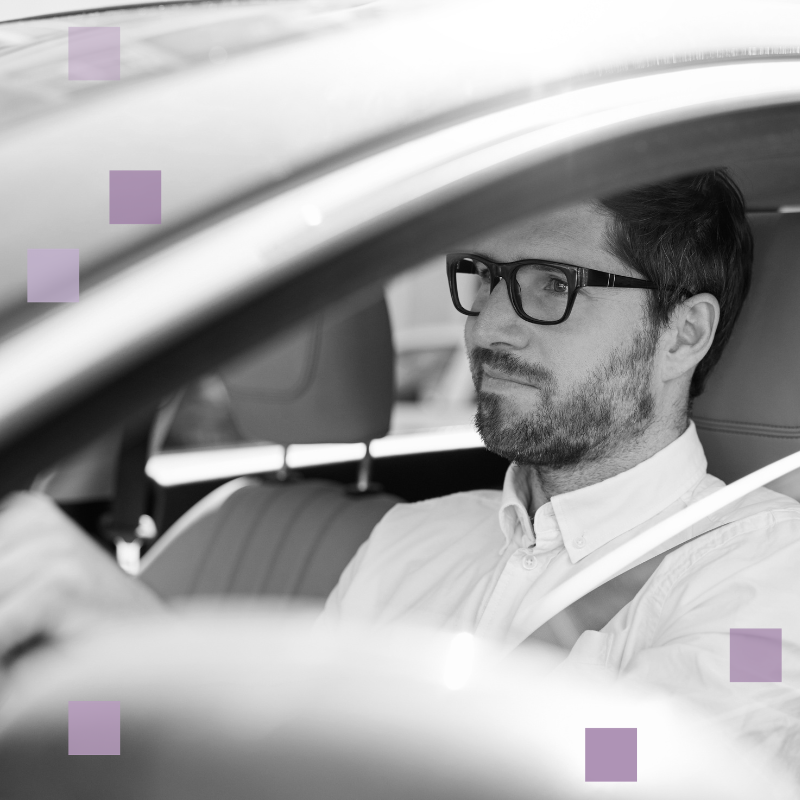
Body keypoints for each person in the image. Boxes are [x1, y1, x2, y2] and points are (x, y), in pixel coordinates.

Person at [0, 170, 798, 777]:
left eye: (553, 285)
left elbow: (630, 779)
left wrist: (155, 658)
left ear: (682, 335)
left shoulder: (769, 583)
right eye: (485, 275)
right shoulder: (408, 539)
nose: (487, 326)